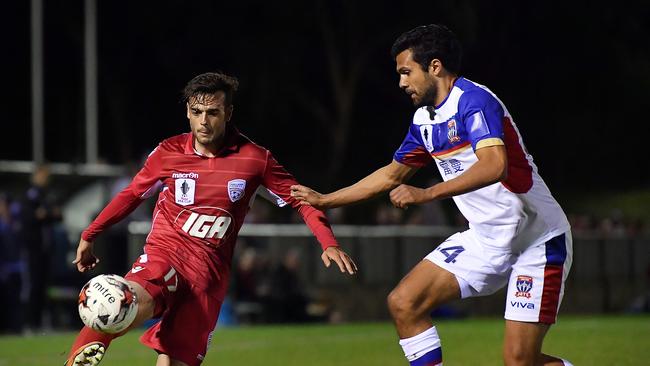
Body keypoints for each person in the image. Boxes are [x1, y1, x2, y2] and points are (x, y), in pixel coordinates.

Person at [291, 24, 573, 366]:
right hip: (486, 239)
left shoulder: (474, 101)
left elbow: (494, 165)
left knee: (519, 361)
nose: (401, 82)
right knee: (404, 303)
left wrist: (426, 194)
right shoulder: (424, 120)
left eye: (406, 72)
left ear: (435, 67)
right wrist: (325, 199)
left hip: (538, 240)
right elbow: (392, 175)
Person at [65, 72, 357, 366]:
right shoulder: (168, 152)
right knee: (117, 301)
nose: (204, 121)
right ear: (188, 113)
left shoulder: (255, 160)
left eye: (212, 112)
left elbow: (302, 201)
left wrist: (328, 243)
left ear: (228, 113)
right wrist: (90, 234)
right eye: (197, 112)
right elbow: (131, 195)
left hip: (207, 281)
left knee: (174, 361)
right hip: (164, 257)